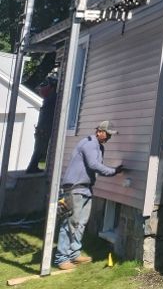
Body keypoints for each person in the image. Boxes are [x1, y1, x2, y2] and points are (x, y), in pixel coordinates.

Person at [54, 121, 124, 271]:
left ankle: (74, 254)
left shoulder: (99, 147)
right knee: (70, 223)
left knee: (81, 223)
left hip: (86, 189)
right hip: (74, 188)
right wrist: (113, 171)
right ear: (99, 131)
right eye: (107, 134)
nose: (108, 138)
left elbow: (95, 167)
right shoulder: (89, 143)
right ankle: (61, 258)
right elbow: (94, 165)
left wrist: (113, 171)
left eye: (110, 135)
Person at [25, 74, 57, 174]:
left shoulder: (48, 99)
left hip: (41, 129)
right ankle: (31, 168)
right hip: (43, 130)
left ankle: (33, 167)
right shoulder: (52, 98)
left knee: (39, 150)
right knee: (39, 150)